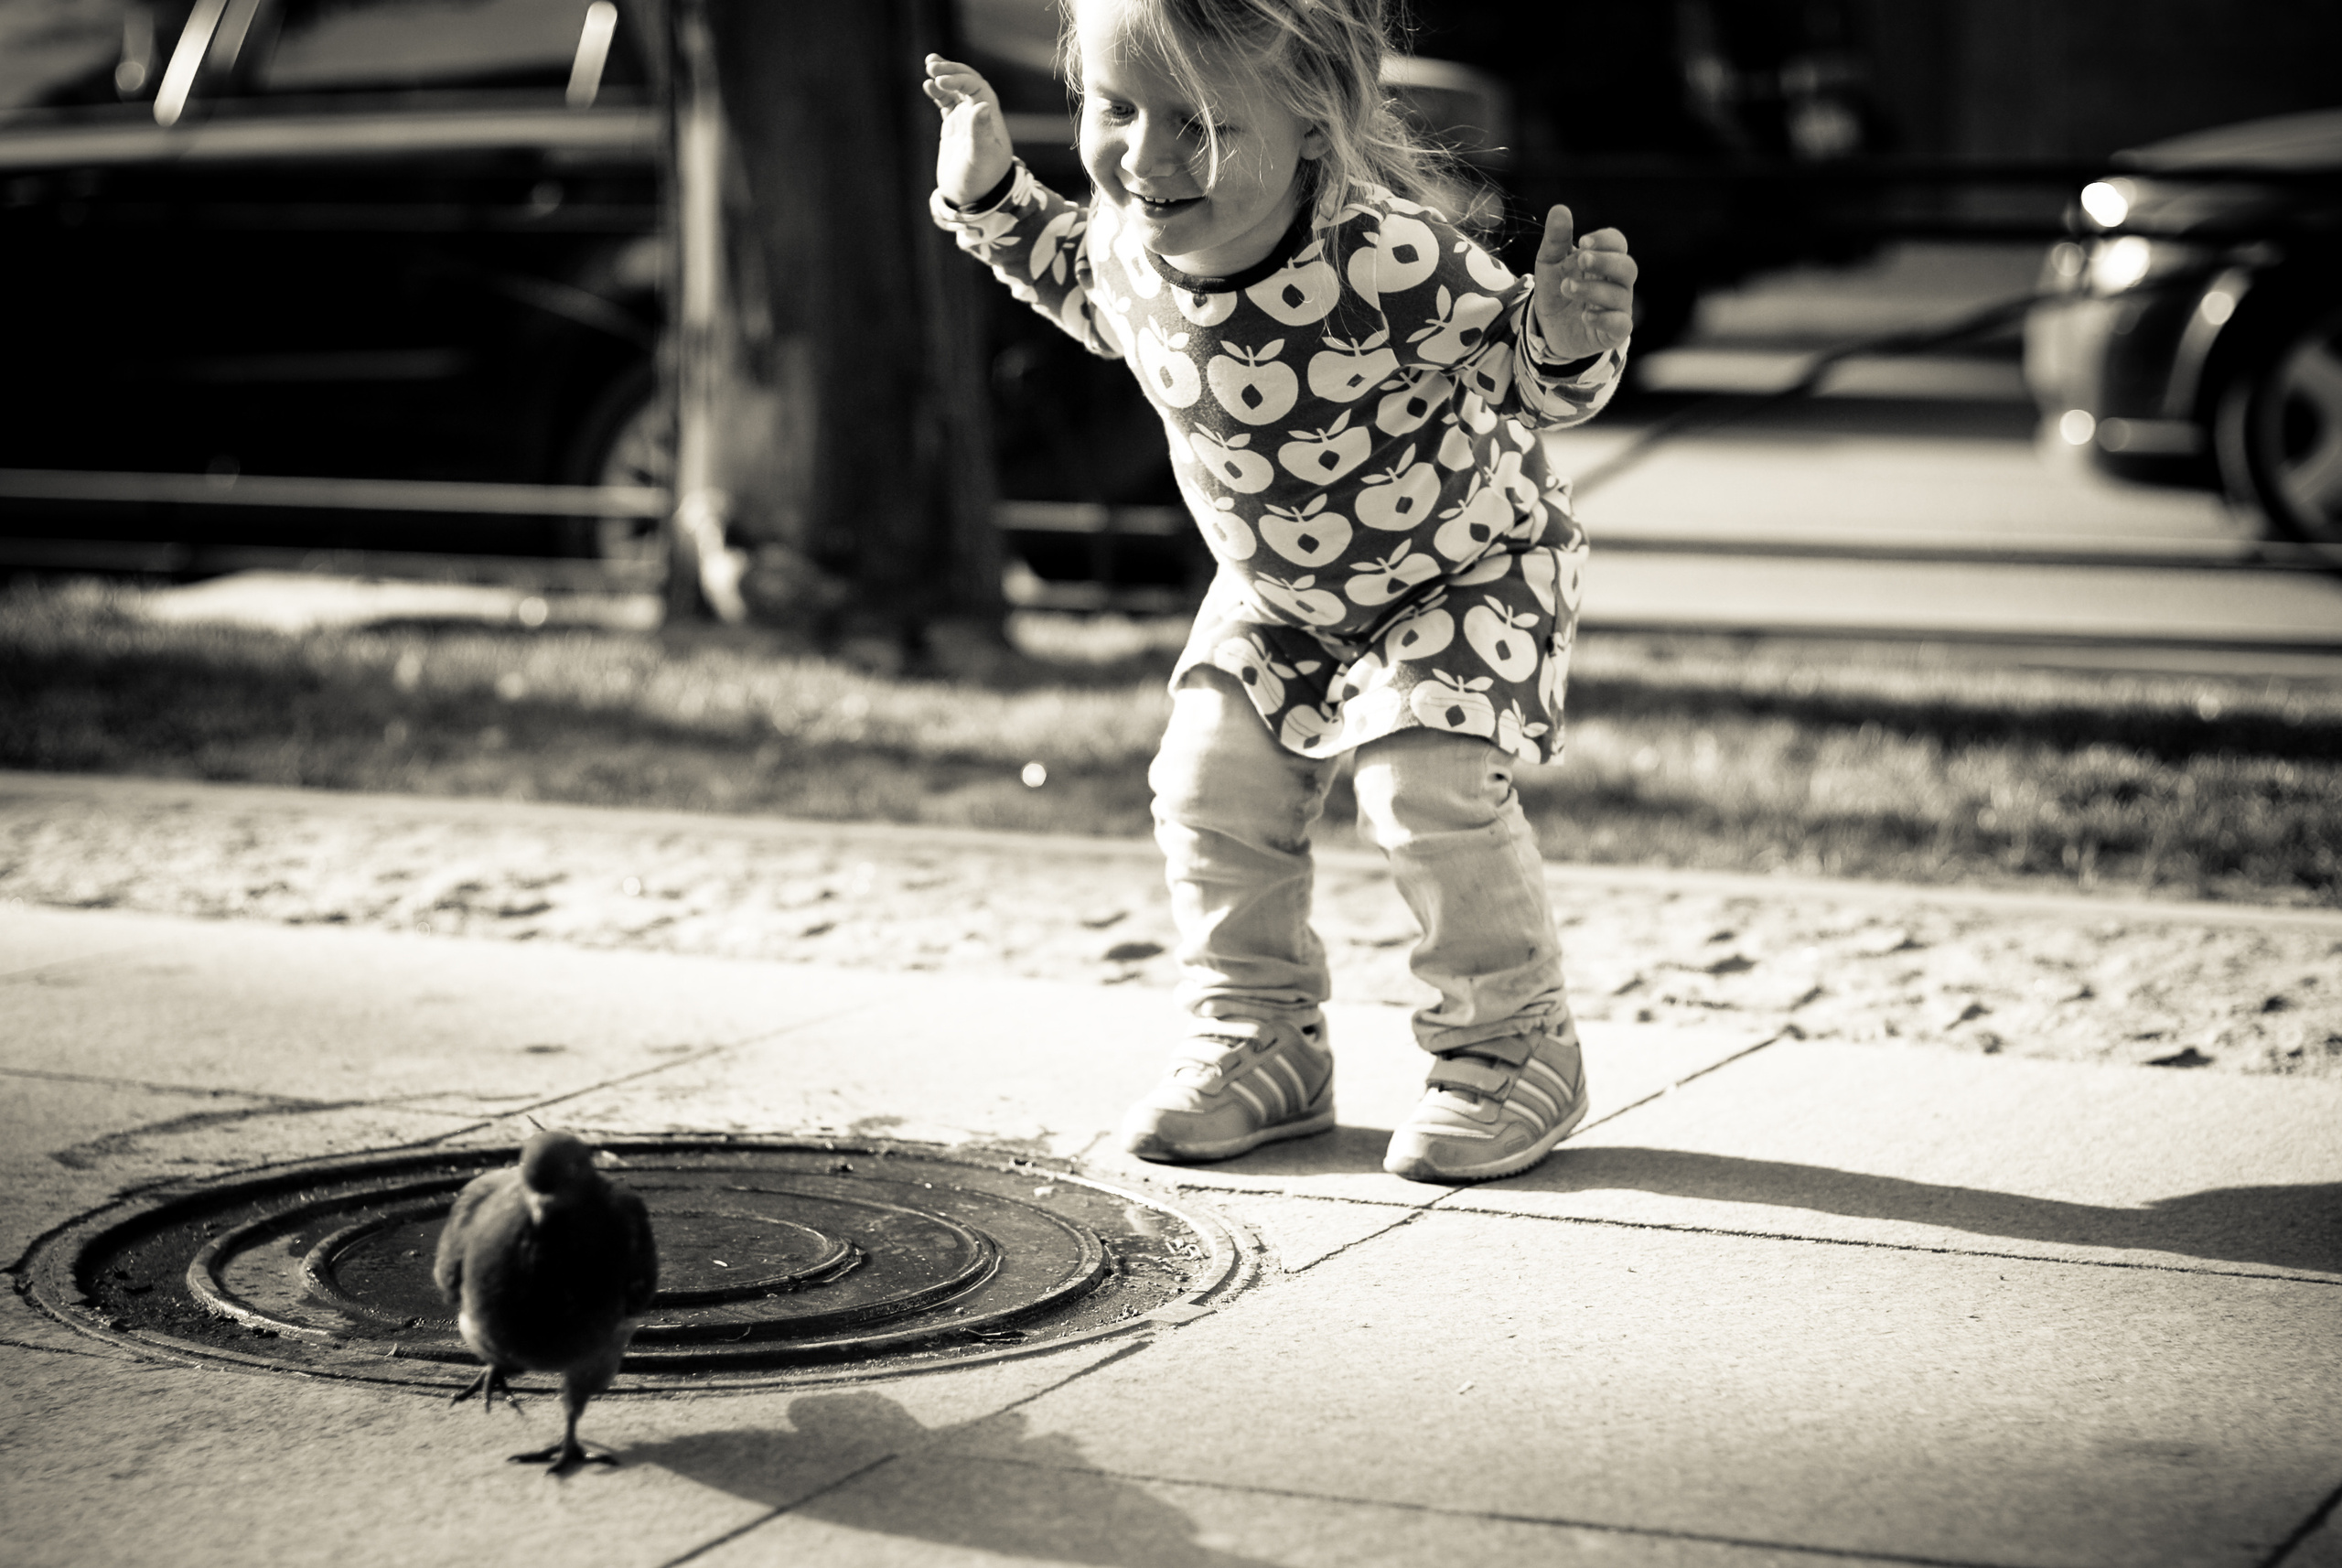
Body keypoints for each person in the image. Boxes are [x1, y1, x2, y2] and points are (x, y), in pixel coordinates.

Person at [922, 0, 1637, 1183]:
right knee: (1206, 783)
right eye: (1115, 110)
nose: (1146, 160)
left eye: (1198, 124)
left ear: (1313, 123)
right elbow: (1068, 277)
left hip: (1464, 571)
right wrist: (992, 190)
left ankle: (1512, 1046)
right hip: (1281, 591)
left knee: (1426, 782)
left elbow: (1524, 375)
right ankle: (1262, 1038)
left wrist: (1563, 331)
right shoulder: (1126, 236)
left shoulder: (1388, 255)